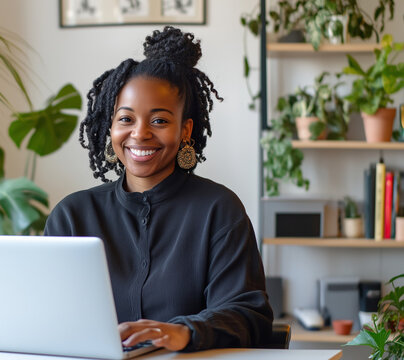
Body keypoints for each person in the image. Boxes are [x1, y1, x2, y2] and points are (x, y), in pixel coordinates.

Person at [44, 26, 273, 352]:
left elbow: (249, 315)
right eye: (126, 119)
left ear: (185, 130)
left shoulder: (219, 210)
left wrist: (185, 331)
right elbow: (48, 316)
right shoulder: (72, 216)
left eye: (159, 121)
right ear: (110, 127)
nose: (140, 134)